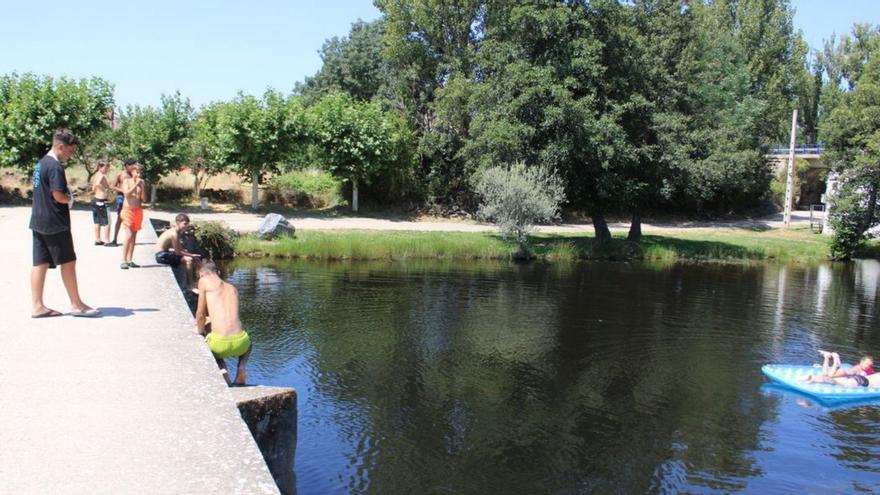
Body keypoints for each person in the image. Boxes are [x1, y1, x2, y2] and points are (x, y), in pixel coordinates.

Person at [29, 128, 101, 318]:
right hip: (54, 221)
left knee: (40, 263)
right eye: (70, 151)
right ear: (60, 146)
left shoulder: (40, 164)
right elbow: (58, 195)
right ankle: (77, 304)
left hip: (38, 219)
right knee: (68, 261)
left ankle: (37, 306)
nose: (71, 155)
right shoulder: (55, 166)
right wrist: (70, 199)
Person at [196, 261, 251, 385]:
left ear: (201, 274)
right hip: (241, 344)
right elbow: (231, 317)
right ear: (218, 272)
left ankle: (223, 369)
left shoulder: (204, 281)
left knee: (207, 340)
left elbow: (200, 315)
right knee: (249, 343)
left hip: (219, 345)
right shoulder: (233, 288)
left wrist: (201, 332)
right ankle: (241, 369)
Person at [155, 213, 201, 290]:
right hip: (161, 256)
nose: (186, 226)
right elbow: (178, 252)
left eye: (187, 224)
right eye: (184, 224)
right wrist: (192, 255)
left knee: (190, 255)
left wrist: (191, 254)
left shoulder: (175, 232)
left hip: (163, 254)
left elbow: (180, 249)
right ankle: (190, 285)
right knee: (188, 260)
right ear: (178, 222)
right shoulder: (174, 234)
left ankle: (197, 280)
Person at [119, 163, 146, 269]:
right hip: (127, 211)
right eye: (137, 172)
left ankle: (130, 259)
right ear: (132, 172)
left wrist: (142, 187)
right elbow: (126, 194)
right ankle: (123, 260)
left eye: (140, 173)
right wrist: (135, 184)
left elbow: (144, 199)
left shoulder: (142, 183)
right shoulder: (127, 181)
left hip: (137, 211)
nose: (138, 175)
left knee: (134, 237)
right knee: (128, 235)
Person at [805, 351, 875, 387]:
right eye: (866, 364)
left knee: (825, 374)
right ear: (861, 362)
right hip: (844, 373)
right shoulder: (858, 368)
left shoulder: (867, 369)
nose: (867, 366)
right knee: (829, 376)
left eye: (870, 365)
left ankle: (826, 356)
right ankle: (836, 359)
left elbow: (873, 375)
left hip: (844, 373)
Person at [106, 159, 135, 247]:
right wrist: (123, 190)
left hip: (131, 199)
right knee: (120, 218)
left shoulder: (134, 175)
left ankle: (130, 239)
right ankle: (114, 239)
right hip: (121, 197)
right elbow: (113, 186)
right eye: (132, 165)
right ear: (127, 165)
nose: (134, 167)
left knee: (131, 218)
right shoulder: (121, 174)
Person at [91, 161, 111, 245]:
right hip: (102, 200)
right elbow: (98, 184)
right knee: (107, 221)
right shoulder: (101, 175)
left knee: (97, 221)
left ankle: (98, 239)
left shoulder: (95, 175)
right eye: (105, 168)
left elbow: (93, 187)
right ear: (100, 167)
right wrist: (105, 190)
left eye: (107, 168)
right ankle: (107, 240)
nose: (106, 170)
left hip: (96, 199)